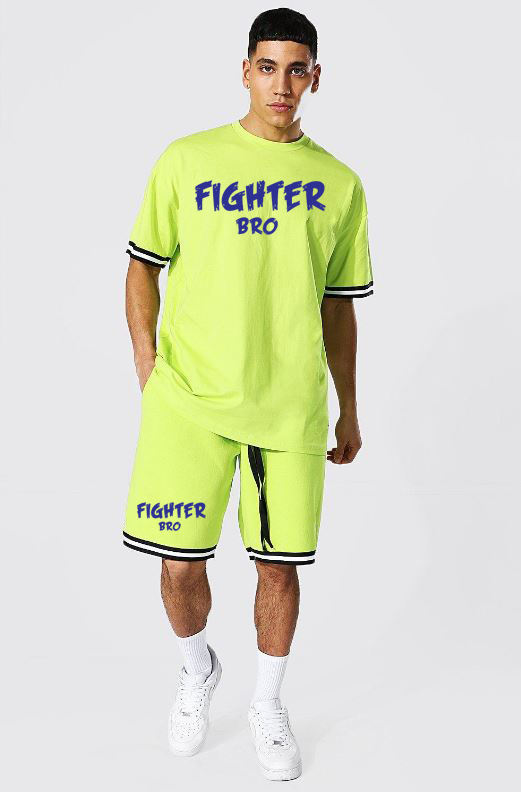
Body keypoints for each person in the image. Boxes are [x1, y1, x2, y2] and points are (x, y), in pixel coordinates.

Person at [123, 7, 373, 781]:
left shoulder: (338, 183)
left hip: (286, 407)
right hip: (189, 402)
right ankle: (197, 669)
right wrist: (148, 363)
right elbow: (143, 263)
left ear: (315, 78)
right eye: (267, 67)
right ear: (244, 71)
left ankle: (267, 703)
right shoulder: (186, 159)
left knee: (277, 568)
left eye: (296, 69)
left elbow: (338, 306)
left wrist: (349, 406)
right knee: (176, 566)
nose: (281, 84)